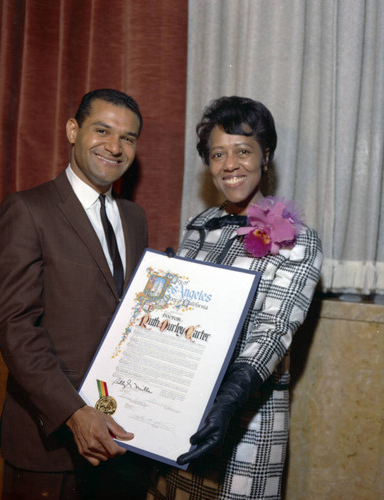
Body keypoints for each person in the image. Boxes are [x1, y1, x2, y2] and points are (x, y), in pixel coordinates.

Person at [147, 96, 323, 499]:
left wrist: (228, 400)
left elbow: (275, 328)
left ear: (266, 157)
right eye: (218, 154)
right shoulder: (199, 225)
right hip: (182, 408)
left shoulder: (298, 241)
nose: (230, 165)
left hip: (248, 417)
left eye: (243, 151)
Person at [0, 89, 151, 499]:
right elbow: (15, 328)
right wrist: (74, 413)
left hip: (121, 443)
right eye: (102, 130)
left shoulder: (134, 218)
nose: (114, 147)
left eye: (128, 138)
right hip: (49, 445)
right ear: (73, 130)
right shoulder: (27, 209)